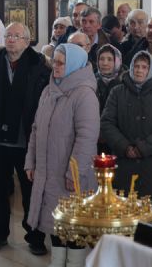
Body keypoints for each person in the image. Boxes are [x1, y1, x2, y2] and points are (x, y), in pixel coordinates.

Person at [0, 22, 50, 255]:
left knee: (31, 192)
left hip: (27, 141)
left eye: (17, 36)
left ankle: (35, 236)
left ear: (27, 41)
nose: (11, 39)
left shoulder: (39, 66)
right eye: (9, 35)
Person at [25, 43, 99, 267]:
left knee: (74, 227)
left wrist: (73, 174)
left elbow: (87, 138)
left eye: (60, 63)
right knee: (54, 224)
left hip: (71, 174)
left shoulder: (84, 94)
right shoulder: (49, 90)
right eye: (53, 61)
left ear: (74, 65)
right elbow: (36, 129)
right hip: (48, 172)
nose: (55, 66)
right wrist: (30, 162)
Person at [101, 51, 152, 224]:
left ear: (151, 70)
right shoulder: (117, 92)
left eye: (144, 67)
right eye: (136, 66)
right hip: (124, 165)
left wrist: (142, 148)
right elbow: (107, 123)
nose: (139, 70)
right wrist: (125, 147)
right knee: (124, 219)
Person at [95, 44, 123, 154]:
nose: (105, 63)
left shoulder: (124, 84)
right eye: (101, 59)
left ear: (117, 62)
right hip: (95, 139)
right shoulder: (91, 82)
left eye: (110, 59)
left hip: (117, 141)